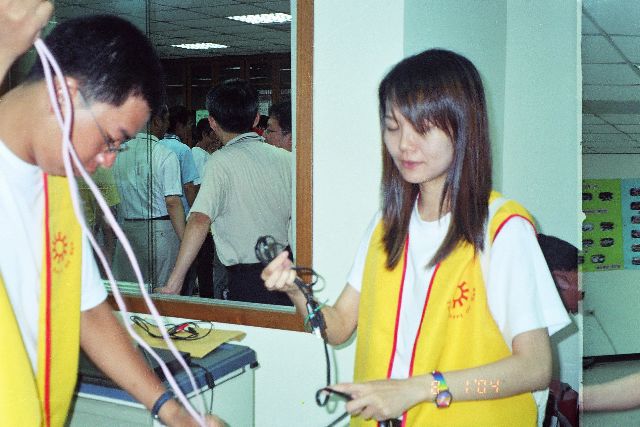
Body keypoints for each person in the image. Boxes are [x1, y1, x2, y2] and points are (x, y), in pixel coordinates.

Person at [261, 49, 570, 426]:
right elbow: (339, 326)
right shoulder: (386, 225)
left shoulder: (503, 229)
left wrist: (424, 388)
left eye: (422, 128)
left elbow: (535, 369)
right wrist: (297, 290)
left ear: (463, 127)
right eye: (393, 126)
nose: (404, 144)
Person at [0, 9, 221, 426]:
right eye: (110, 140)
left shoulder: (58, 188)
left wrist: (172, 411)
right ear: (63, 96)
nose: (107, 161)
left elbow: (87, 310)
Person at [160, 79, 292, 306]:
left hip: (248, 279)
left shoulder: (219, 162)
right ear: (256, 119)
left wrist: (174, 283)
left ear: (212, 122)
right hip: (287, 272)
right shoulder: (286, 158)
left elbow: (200, 219)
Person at [112, 105, 185, 288]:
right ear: (157, 121)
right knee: (162, 293)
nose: (167, 125)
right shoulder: (165, 154)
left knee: (132, 294)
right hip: (161, 231)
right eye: (166, 120)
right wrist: (185, 240)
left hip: (127, 230)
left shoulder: (118, 153)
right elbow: (172, 202)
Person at [190, 118, 226, 299]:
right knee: (205, 262)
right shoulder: (198, 154)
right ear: (205, 134)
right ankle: (208, 296)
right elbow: (197, 189)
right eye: (213, 134)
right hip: (205, 218)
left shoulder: (207, 154)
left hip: (210, 219)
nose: (216, 138)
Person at [161, 105, 199, 212]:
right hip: (181, 210)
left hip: (161, 209)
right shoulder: (183, 150)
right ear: (179, 126)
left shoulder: (157, 146)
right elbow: (188, 187)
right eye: (188, 124)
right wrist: (195, 211)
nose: (189, 129)